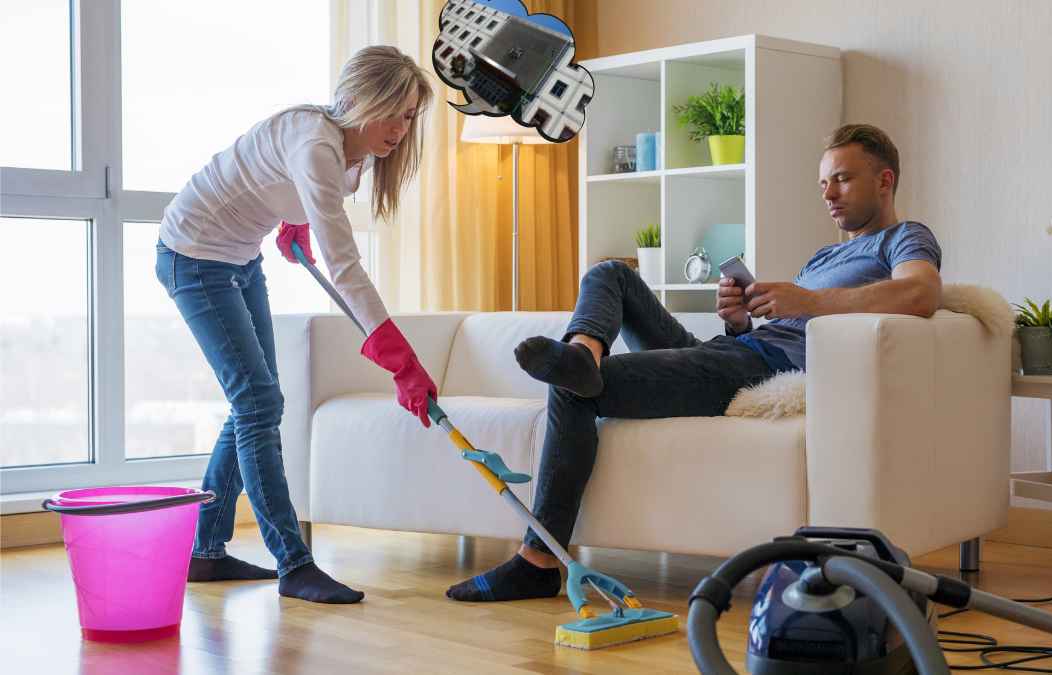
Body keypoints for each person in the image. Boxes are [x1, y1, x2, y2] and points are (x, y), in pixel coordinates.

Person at [445, 123, 944, 602]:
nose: (829, 193)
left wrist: (805, 302)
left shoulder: (904, 238)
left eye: (842, 178)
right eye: (823, 182)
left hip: (754, 371)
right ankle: (584, 351)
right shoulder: (822, 258)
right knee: (610, 274)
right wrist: (740, 318)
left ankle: (537, 562)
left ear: (884, 181)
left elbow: (921, 293)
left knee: (574, 387)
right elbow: (789, 326)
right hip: (732, 351)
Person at [156, 46, 438, 604]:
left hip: (239, 256)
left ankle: (206, 554)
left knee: (254, 402)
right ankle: (294, 564)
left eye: (409, 116)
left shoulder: (354, 156)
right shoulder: (316, 142)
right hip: (192, 253)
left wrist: (292, 222)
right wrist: (401, 362)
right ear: (357, 99)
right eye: (393, 111)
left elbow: (276, 182)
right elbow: (346, 265)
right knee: (258, 403)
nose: (401, 129)